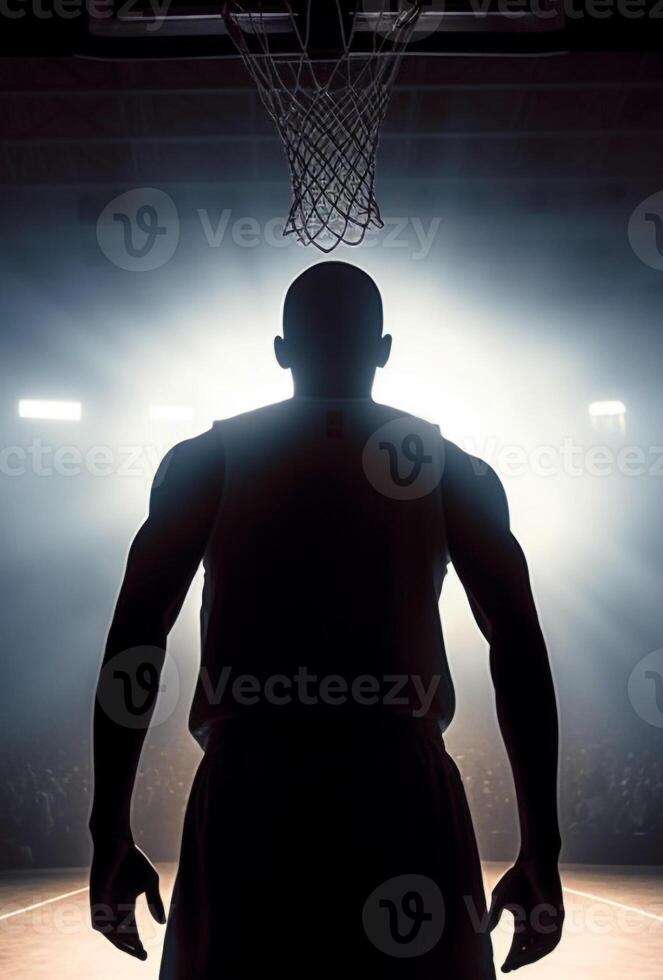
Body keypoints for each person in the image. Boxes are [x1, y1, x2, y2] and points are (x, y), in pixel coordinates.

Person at [88, 261, 562, 977]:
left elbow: (135, 642)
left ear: (282, 350)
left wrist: (108, 831)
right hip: (399, 784)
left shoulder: (206, 462)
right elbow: (518, 651)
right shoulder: (451, 469)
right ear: (383, 349)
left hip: (253, 785)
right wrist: (541, 847)